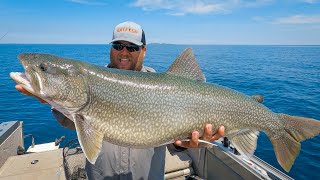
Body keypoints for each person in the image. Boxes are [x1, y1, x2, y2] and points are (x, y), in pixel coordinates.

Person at [15, 21, 225, 180]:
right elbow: (73, 122)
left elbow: (174, 144)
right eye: (118, 45)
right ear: (111, 48)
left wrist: (184, 144)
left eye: (132, 48)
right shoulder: (90, 83)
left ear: (144, 50)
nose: (124, 52)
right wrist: (49, 100)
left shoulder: (168, 88)